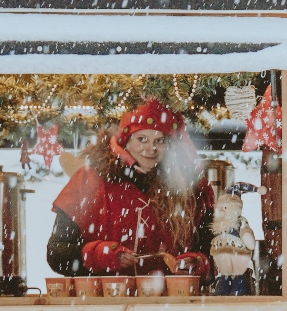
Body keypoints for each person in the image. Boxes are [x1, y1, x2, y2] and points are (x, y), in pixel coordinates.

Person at [48, 100, 214, 274]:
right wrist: (100, 255)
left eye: (160, 141)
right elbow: (57, 254)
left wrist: (198, 264)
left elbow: (213, 255)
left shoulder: (190, 189)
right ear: (125, 141)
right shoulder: (88, 180)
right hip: (104, 297)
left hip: (170, 299)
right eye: (142, 139)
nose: (151, 149)